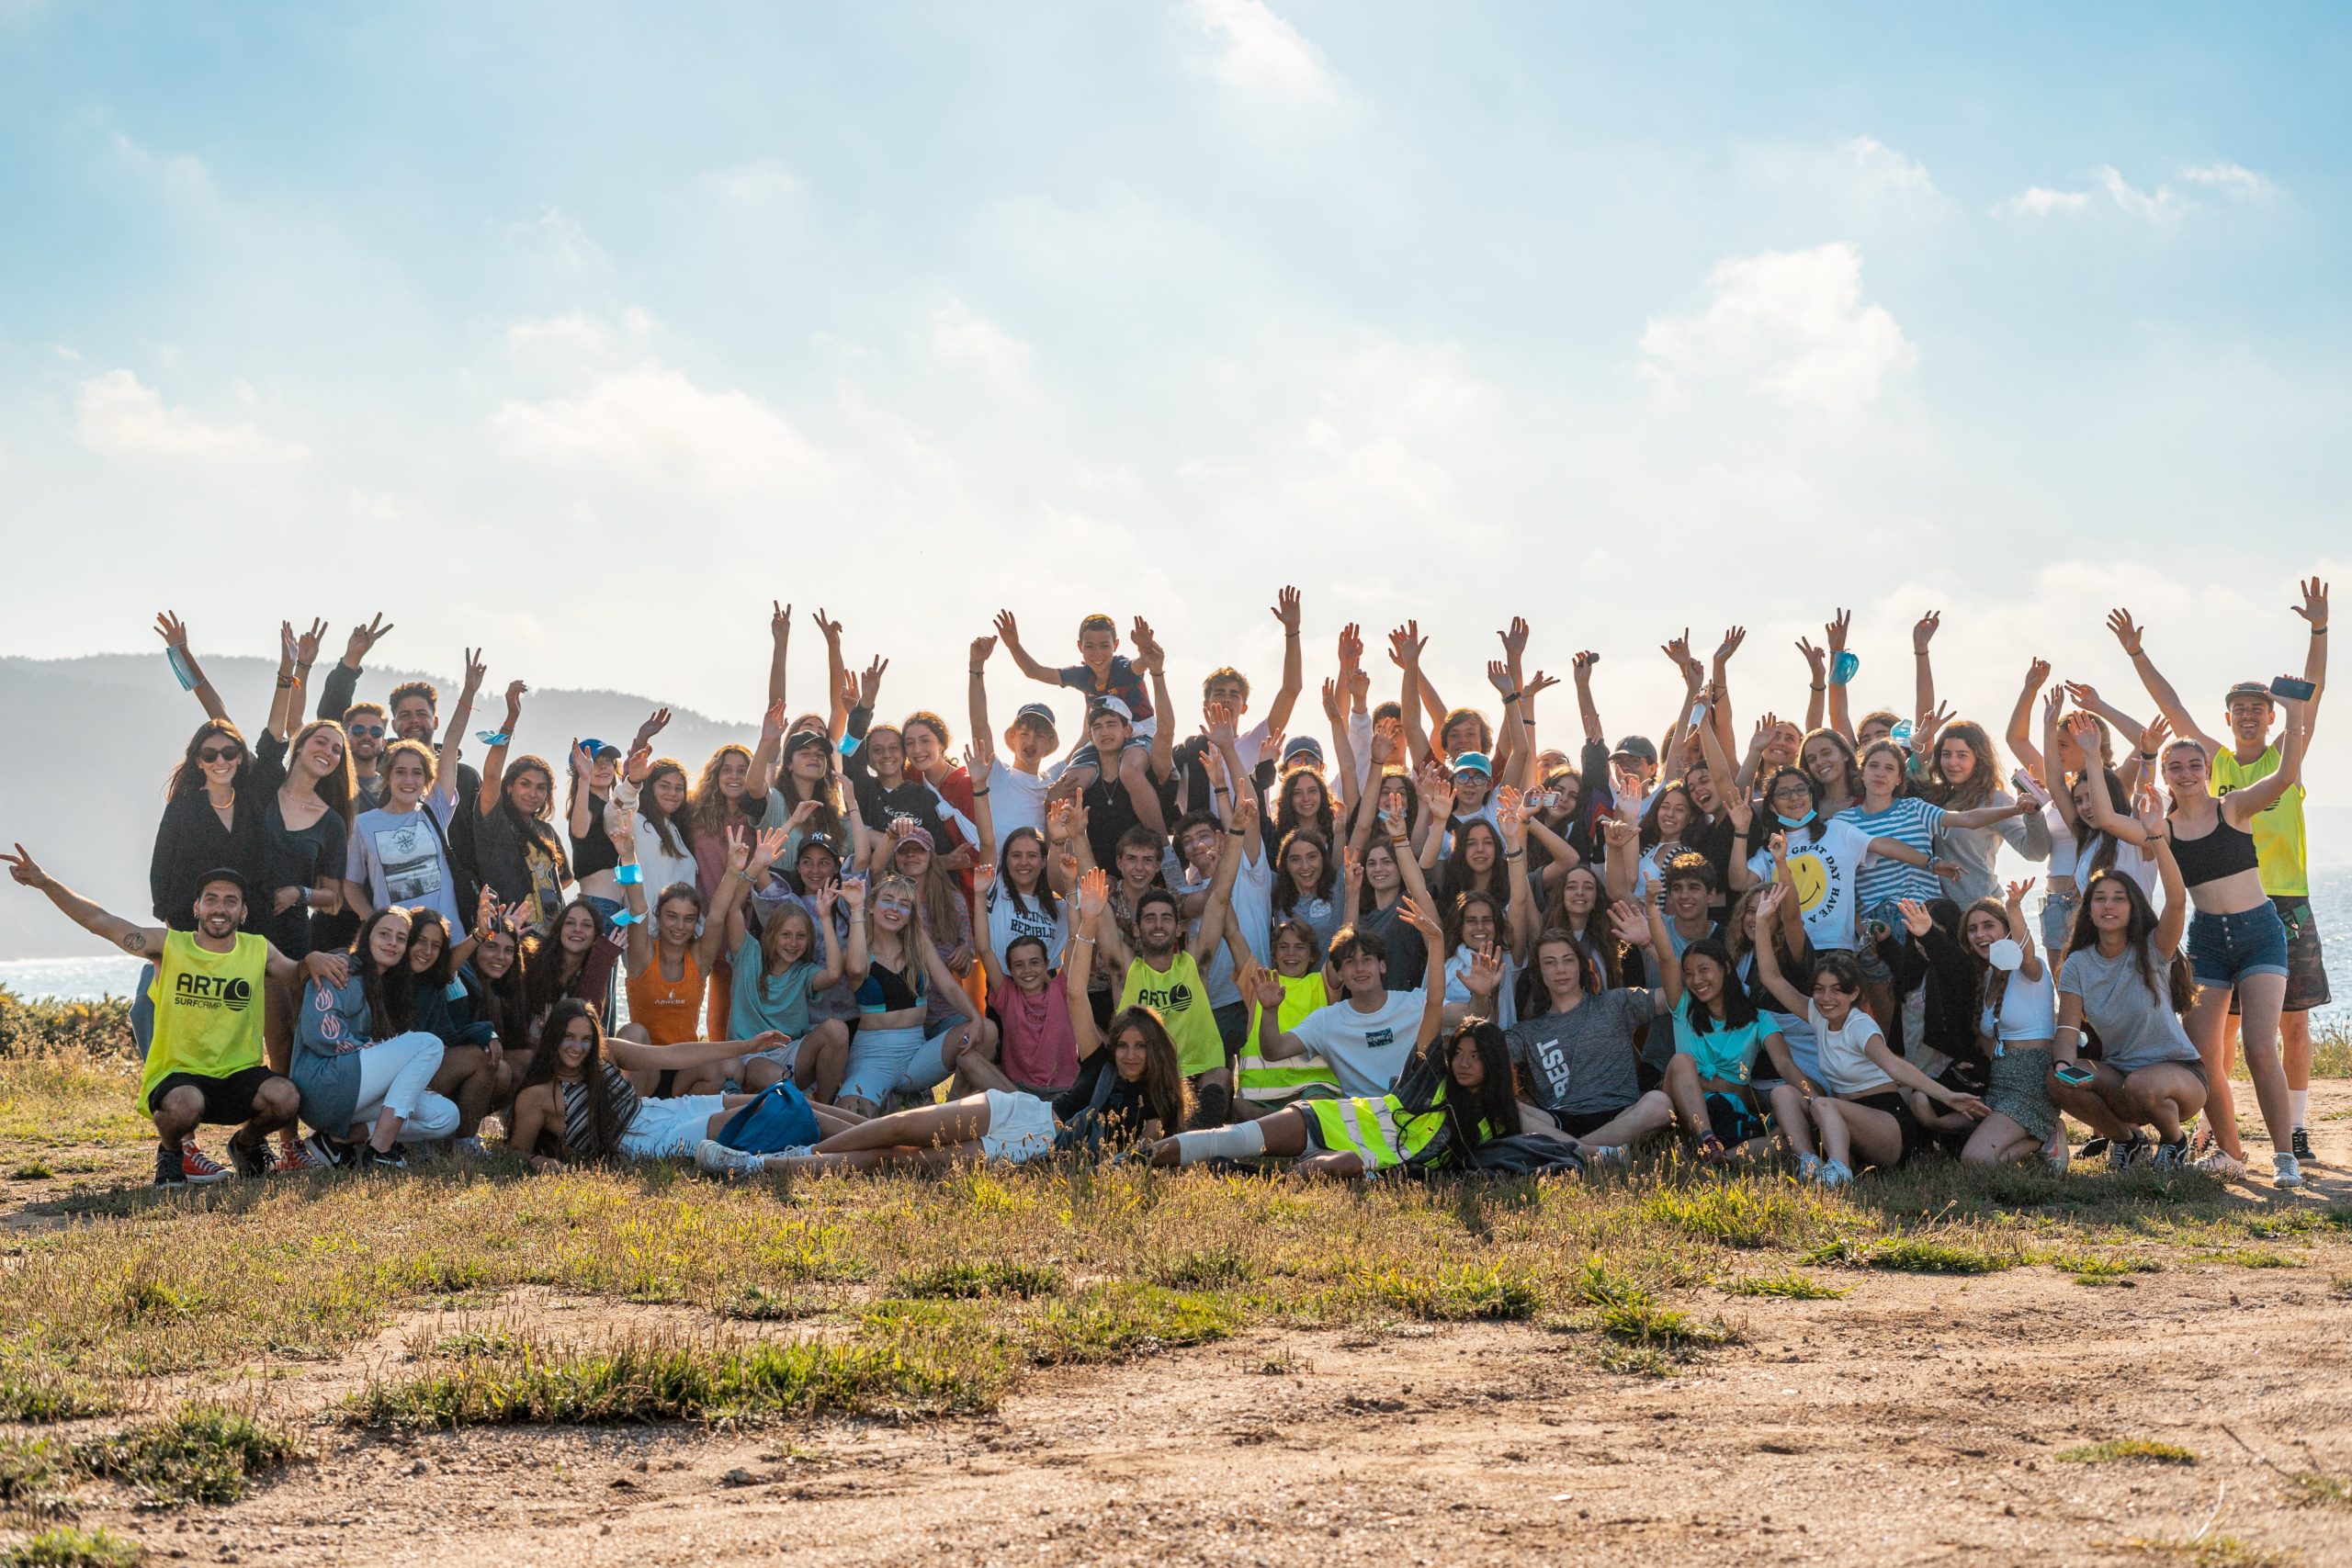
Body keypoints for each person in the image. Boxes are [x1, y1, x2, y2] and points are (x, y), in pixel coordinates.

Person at [2113, 584, 2328, 1170]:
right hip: (2212, 926)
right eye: (2242, 708)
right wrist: (2136, 656)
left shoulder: (2270, 766)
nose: (2251, 715)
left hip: (2279, 905)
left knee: (2283, 1033)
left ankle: (2294, 1138)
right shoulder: (2211, 770)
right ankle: (2225, 1146)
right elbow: (2170, 711)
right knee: (2212, 1045)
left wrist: (2317, 637)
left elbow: (2301, 729)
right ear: (2227, 720)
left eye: (2262, 707)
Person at [5, 849, 330, 1187]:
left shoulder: (258, 949)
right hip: (180, 1076)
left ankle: (246, 1146)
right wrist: (45, 883)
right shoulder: (168, 946)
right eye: (211, 899)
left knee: (286, 1097)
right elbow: (99, 922)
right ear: (196, 907)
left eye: (230, 901)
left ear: (243, 911)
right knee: (185, 1103)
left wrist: (314, 960)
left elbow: (295, 975)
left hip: (237, 1074)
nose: (220, 908)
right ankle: (172, 1153)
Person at [739, 989, 1185, 1177]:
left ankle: (771, 1166)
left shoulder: (1154, 1104)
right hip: (1023, 1111)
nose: (1129, 1054)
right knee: (901, 1126)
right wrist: (1085, 921)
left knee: (901, 1161)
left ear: (1156, 1051)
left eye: (1140, 1047)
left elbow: (1144, 1158)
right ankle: (802, 1151)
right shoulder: (1099, 1062)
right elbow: (1074, 995)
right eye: (1123, 1044)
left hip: (1031, 1149)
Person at [2143, 692, 2310, 1185]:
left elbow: (2283, 777)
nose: (2188, 772)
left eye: (2196, 764)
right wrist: (2144, 757)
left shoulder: (2233, 807)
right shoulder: (2164, 829)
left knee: (2260, 1046)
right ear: (2167, 775)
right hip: (2208, 939)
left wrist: (2296, 714)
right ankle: (2231, 1152)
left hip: (2259, 931)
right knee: (2203, 1054)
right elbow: (2116, 820)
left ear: (2208, 770)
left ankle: (2285, 1158)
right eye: (2177, 766)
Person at [1151, 976, 1507, 1179]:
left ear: (1493, 1063)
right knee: (1230, 1138)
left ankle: (1253, 1178)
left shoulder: (1492, 1123)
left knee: (1348, 1164)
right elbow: (1433, 1006)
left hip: (1367, 1167)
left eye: (1475, 1057)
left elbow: (1536, 1126)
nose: (1463, 1063)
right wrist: (1436, 939)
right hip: (1331, 1119)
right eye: (1458, 1053)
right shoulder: (1430, 1078)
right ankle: (1138, 1159)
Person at [1752, 886, 1990, 1181]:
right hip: (1845, 1114)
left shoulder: (1858, 1024)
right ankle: (1808, 1161)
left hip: (1888, 1123)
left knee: (1823, 1103)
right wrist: (1762, 924)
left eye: (1837, 990)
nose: (1827, 998)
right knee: (1784, 1093)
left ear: (1853, 993)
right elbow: (1771, 977)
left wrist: (1949, 1096)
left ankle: (1839, 1170)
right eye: (1820, 990)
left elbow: (1894, 1065)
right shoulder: (1816, 1013)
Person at [509, 999, 854, 1167]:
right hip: (649, 1142)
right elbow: (516, 1152)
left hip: (660, 1110)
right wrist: (537, 1163)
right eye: (568, 1037)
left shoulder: (606, 1052)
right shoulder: (538, 1096)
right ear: (553, 1037)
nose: (577, 1047)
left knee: (790, 1097)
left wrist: (748, 1045)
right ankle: (875, 1144)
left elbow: (675, 1055)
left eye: (585, 1038)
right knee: (773, 1108)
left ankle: (882, 1128)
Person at [1091, 795, 1246, 1126]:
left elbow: (1219, 896)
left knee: (1219, 1075)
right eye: (1150, 918)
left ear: (1179, 927)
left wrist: (1236, 832)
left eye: (1166, 918)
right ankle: (1175, 1136)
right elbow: (1098, 907)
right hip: (1148, 1077)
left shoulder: (1194, 964)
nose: (1158, 924)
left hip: (1196, 1072)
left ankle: (1198, 1135)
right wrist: (1077, 837)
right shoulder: (1126, 970)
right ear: (1137, 928)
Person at [2050, 846, 2207, 1168]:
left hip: (2180, 1079)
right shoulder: (2078, 964)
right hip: (2119, 1077)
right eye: (2100, 898)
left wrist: (2157, 838)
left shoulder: (2153, 948)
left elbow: (2177, 901)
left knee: (2142, 1084)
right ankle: (2128, 1140)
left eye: (2119, 897)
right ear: (2088, 909)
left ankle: (2175, 1142)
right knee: (2057, 1079)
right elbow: (2067, 1029)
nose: (2109, 905)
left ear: (2133, 907)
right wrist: (2064, 1065)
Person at [614, 814, 777, 1091]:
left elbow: (716, 916)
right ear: (659, 917)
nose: (679, 926)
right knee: (633, 1032)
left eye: (688, 919)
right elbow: (637, 904)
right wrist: (629, 857)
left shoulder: (699, 960)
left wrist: (733, 870)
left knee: (731, 1067)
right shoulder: (643, 956)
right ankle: (634, 1116)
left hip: (684, 1072)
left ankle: (686, 1124)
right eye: (671, 916)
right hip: (645, 1070)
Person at [291, 906, 461, 1169]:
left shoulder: (389, 985)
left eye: (401, 938)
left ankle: (337, 1140)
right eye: (384, 934)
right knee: (428, 1044)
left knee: (446, 1117)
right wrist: (380, 1052)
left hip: (356, 1090)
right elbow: (320, 1036)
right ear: (367, 935)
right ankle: (381, 1151)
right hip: (323, 1084)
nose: (392, 943)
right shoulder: (340, 966)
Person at [1246, 898, 1446, 1102]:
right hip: (1358, 1120)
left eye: (1367, 960)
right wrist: (1270, 1011)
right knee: (1308, 1112)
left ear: (1382, 966)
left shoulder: (1414, 1003)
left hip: (1414, 1113)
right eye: (1350, 962)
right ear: (1340, 973)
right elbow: (1274, 1051)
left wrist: (1437, 942)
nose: (1359, 968)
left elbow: (1449, 1006)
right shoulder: (1326, 1021)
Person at [343, 649, 485, 927]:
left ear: (426, 780)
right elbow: (351, 885)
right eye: (400, 772)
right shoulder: (363, 824)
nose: (409, 780)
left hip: (444, 938)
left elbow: (452, 741)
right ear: (386, 775)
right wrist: (376, 922)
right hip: (394, 944)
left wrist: (469, 692)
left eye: (417, 773)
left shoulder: (435, 812)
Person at [837, 872, 992, 1116]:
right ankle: (895, 1101)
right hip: (873, 1056)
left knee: (987, 1030)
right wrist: (856, 907)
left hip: (916, 1055)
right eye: (887, 900)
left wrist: (974, 1019)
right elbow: (855, 969)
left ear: (911, 914)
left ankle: (947, 1116)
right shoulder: (860, 946)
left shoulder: (918, 944)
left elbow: (949, 986)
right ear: (871, 907)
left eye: (904, 904)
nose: (895, 909)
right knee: (850, 1118)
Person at [724, 877, 858, 1098]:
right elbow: (732, 911)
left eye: (801, 936)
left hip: (789, 1053)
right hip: (750, 1054)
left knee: (836, 1029)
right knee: (776, 1079)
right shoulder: (748, 953)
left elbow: (834, 973)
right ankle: (805, 1107)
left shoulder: (803, 973)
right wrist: (754, 869)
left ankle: (825, 1105)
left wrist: (825, 917)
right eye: (785, 935)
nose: (793, 943)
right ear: (772, 934)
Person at [468, 682, 571, 934]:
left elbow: (566, 878)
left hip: (550, 937)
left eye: (540, 787)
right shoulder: (495, 821)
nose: (532, 793)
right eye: (525, 784)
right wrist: (511, 718)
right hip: (509, 933)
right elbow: (491, 775)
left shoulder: (546, 831)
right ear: (510, 786)